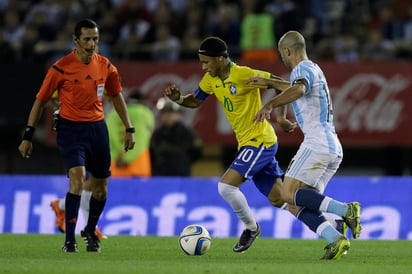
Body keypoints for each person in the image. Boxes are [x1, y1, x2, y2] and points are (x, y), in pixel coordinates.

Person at [164, 36, 296, 253]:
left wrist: (279, 116)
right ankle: (333, 219)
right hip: (246, 143)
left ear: (221, 58)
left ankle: (251, 228)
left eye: (206, 62)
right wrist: (179, 99)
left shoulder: (243, 74)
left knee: (226, 186)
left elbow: (285, 86)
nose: (204, 67)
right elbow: (195, 101)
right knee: (280, 198)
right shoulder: (211, 79)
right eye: (201, 62)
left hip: (260, 139)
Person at [18, 19, 135, 253]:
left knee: (101, 188)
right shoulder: (60, 68)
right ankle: (69, 241)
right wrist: (28, 135)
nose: (92, 44)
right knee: (78, 179)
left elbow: (116, 96)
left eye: (96, 39)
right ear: (76, 40)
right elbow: (40, 101)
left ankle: (90, 231)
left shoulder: (106, 66)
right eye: (87, 39)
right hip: (71, 130)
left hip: (97, 129)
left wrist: (129, 128)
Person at [247, 30, 362, 259]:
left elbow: (298, 89)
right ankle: (336, 239)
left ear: (287, 51)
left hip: (317, 142)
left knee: (287, 193)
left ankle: (346, 210)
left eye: (282, 54)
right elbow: (291, 87)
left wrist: (269, 104)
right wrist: (272, 89)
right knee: (297, 205)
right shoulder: (312, 69)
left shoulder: (302, 69)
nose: (282, 58)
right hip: (331, 147)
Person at [107, 90, 155, 177]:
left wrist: (116, 157)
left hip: (115, 168)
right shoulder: (145, 113)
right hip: (138, 167)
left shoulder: (113, 114)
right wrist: (127, 158)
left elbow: (108, 139)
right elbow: (141, 139)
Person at [150, 97, 203, 176]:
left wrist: (182, 161)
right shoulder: (157, 134)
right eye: (164, 113)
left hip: (181, 175)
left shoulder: (187, 132)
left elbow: (197, 152)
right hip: (160, 176)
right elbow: (152, 154)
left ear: (178, 114)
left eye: (171, 113)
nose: (168, 116)